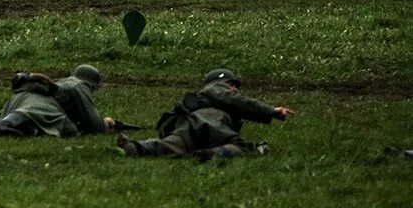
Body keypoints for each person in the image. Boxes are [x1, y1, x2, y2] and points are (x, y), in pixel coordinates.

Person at [117, 68, 294, 161]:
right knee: (240, 146)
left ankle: (137, 147)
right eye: (233, 85)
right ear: (225, 83)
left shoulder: (201, 98)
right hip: (213, 124)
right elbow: (240, 103)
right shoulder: (217, 89)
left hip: (188, 125)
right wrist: (271, 111)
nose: (235, 90)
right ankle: (210, 154)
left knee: (170, 145)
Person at [0, 65, 114, 137]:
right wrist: (106, 123)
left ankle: (25, 129)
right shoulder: (79, 85)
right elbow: (94, 124)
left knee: (67, 127)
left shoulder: (63, 83)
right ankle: (5, 125)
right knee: (44, 115)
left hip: (19, 98)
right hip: (36, 104)